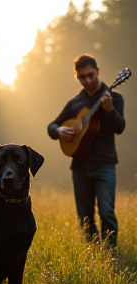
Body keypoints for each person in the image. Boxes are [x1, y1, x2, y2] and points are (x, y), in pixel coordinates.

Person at [47, 54, 126, 250]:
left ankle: (110, 254)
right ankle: (93, 254)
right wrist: (58, 131)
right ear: (77, 77)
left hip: (105, 164)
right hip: (80, 166)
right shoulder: (74, 103)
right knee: (85, 216)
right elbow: (51, 125)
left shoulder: (114, 97)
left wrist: (109, 110)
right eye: (82, 77)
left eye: (91, 75)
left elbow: (120, 127)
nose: (88, 80)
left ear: (98, 71)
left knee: (107, 211)